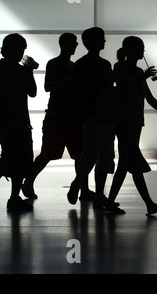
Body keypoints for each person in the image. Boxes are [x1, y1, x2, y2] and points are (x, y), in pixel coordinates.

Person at [104, 36, 157, 215]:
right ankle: (148, 204)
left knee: (125, 164)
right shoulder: (120, 68)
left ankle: (111, 202)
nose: (143, 51)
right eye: (140, 48)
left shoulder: (137, 70)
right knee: (131, 163)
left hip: (134, 122)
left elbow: (148, 97)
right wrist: (143, 77)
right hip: (124, 122)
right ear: (130, 50)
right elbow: (124, 88)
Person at [22, 33, 94, 200]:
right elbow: (48, 87)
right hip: (59, 115)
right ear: (65, 45)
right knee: (51, 152)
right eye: (74, 43)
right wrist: (71, 79)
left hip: (67, 115)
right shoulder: (57, 64)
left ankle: (83, 188)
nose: (76, 46)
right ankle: (29, 182)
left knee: (77, 153)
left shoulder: (68, 65)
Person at [67, 27, 115, 210]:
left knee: (91, 153)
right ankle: (99, 194)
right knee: (104, 155)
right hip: (102, 115)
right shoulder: (104, 65)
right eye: (102, 39)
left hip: (92, 115)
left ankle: (78, 183)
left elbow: (75, 92)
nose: (104, 41)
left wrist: (82, 112)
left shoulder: (81, 64)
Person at [0, 33, 37, 211]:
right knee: (20, 159)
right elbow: (33, 92)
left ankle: (15, 197)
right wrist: (29, 70)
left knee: (8, 157)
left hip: (4, 120)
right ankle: (14, 197)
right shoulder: (21, 71)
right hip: (19, 121)